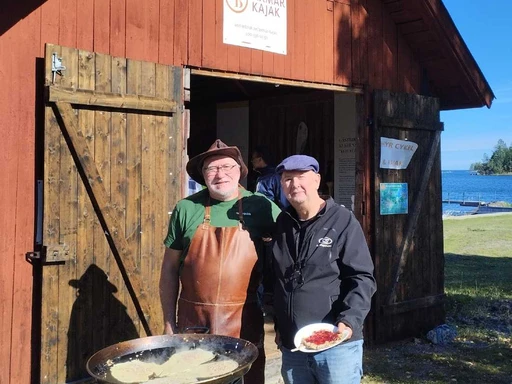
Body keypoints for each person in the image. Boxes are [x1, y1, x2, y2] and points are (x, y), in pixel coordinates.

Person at [159, 139, 281, 384]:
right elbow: (170, 269)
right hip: (194, 322)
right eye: (211, 169)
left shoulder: (261, 205)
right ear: (203, 176)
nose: (220, 174)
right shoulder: (186, 208)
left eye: (227, 167)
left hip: (243, 320)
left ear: (239, 171)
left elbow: (290, 254)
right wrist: (169, 323)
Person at [271, 155, 377, 384]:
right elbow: (278, 279)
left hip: (336, 344)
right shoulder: (282, 223)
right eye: (287, 179)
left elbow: (362, 278)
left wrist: (349, 321)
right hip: (294, 345)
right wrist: (280, 324)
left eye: (301, 177)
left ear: (317, 180)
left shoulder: (343, 221)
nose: (294, 184)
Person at [251, 145, 289, 209]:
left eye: (253, 158)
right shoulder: (260, 177)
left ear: (260, 159)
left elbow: (283, 203)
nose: (251, 161)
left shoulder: (275, 177)